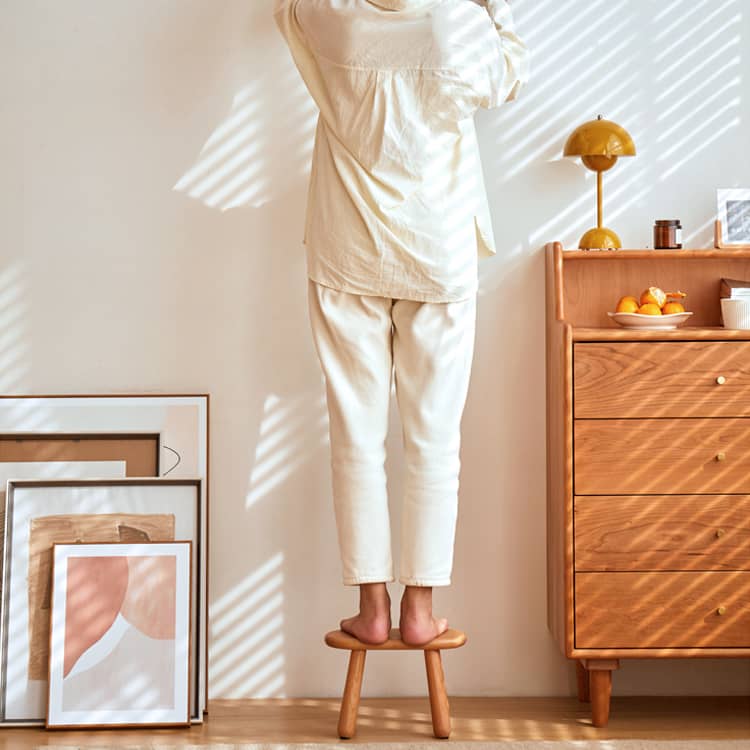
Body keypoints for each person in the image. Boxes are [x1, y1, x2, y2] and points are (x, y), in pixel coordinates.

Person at [273, 0, 530, 646]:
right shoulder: (455, 26)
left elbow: (286, 12)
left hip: (347, 251)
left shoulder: (335, 19)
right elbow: (511, 72)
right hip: (437, 251)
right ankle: (419, 609)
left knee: (356, 434)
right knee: (435, 439)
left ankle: (372, 607)